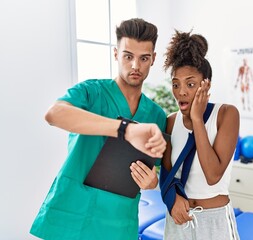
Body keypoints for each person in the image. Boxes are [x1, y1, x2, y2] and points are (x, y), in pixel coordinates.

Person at [30, 18, 167, 240]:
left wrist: (152, 182)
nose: (135, 66)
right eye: (128, 56)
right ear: (116, 54)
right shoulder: (90, 93)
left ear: (153, 60)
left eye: (144, 58)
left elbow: (157, 168)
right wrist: (125, 130)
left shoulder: (156, 116)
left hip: (119, 222)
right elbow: (53, 114)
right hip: (74, 215)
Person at [160, 30, 240, 240]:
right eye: (176, 84)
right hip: (178, 218)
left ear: (206, 84)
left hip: (214, 221)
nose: (181, 92)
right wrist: (172, 201)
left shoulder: (226, 114)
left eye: (191, 84)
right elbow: (167, 175)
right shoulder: (170, 121)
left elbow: (213, 175)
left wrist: (197, 119)